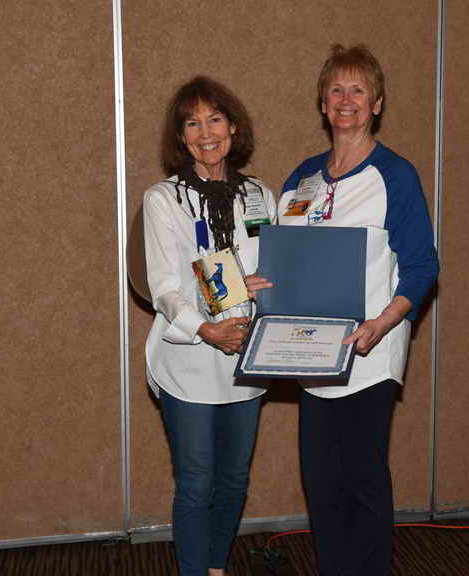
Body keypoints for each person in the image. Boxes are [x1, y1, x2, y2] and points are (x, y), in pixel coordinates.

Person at [247, 44, 439, 575]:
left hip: (370, 351)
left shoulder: (395, 175)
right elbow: (284, 258)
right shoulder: (302, 177)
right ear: (322, 103)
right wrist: (259, 284)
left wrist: (383, 323)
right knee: (322, 482)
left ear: (377, 103)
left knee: (362, 480)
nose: (346, 99)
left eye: (358, 90)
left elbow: (422, 265)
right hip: (311, 356)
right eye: (336, 89)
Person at [143, 76, 276, 576]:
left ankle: (215, 567)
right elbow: (164, 287)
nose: (206, 133)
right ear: (181, 137)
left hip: (245, 358)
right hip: (189, 359)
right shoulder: (163, 199)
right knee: (197, 481)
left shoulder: (260, 196)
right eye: (193, 123)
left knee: (234, 480)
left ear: (233, 126)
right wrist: (206, 329)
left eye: (215, 119)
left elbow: (273, 269)